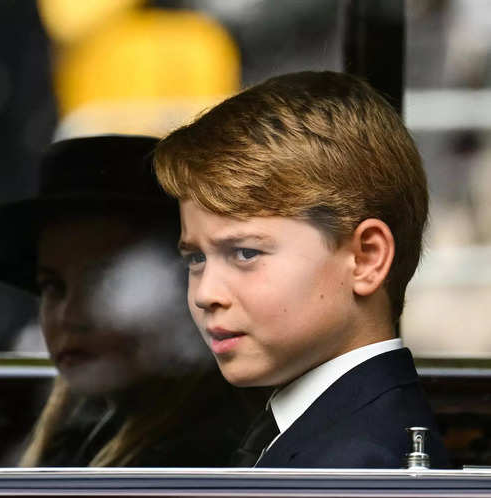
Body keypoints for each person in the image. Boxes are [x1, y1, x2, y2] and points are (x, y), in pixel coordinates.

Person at [153, 71, 449, 468]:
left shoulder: (358, 470)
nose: (206, 293)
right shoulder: (326, 434)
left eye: (244, 253)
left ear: (366, 259)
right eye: (196, 259)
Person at [0, 135, 254, 467]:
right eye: (53, 286)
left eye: (103, 284)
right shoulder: (85, 437)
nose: (70, 317)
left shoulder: (201, 460)